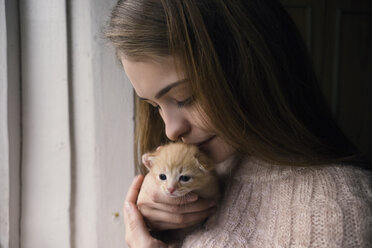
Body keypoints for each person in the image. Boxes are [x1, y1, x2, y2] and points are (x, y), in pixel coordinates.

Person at [105, 0, 372, 247]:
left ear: (250, 66)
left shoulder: (333, 212)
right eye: (155, 107)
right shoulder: (191, 181)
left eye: (185, 98)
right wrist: (155, 230)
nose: (171, 131)